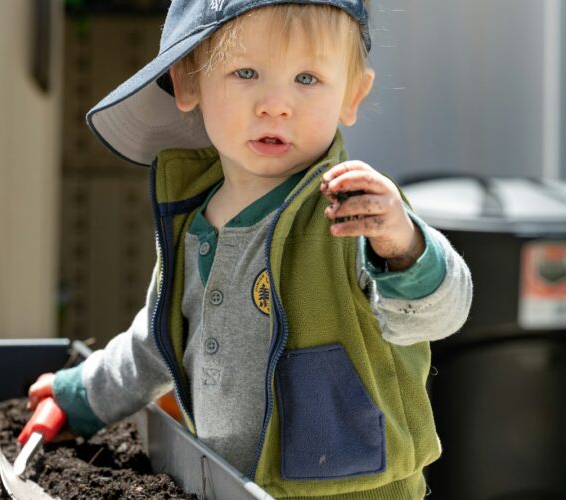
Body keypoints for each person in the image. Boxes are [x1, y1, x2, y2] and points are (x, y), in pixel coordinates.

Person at [29, 1, 473, 497]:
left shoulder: (355, 212)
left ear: (353, 93)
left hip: (354, 489)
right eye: (246, 72)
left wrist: (405, 249)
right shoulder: (192, 221)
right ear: (188, 82)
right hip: (225, 483)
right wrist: (82, 397)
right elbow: (159, 340)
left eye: (307, 78)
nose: (275, 104)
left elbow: (437, 316)